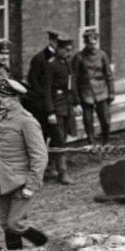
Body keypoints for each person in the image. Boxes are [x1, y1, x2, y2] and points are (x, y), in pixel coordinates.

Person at [0, 78, 48, 251]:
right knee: (6, 224)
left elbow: (40, 156)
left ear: (14, 99)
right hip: (1, 181)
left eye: (3, 97)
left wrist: (32, 185)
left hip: (21, 183)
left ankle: (46, 245)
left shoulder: (27, 121)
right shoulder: (0, 119)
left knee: (15, 224)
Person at [43, 36, 81, 184]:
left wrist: (76, 103)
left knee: (61, 139)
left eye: (70, 50)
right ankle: (63, 173)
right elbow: (46, 91)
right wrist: (50, 112)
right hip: (56, 108)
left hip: (66, 107)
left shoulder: (67, 63)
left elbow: (72, 85)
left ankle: (50, 168)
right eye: (66, 50)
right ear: (58, 49)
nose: (69, 53)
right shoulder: (50, 65)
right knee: (59, 141)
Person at [73, 30, 114, 145]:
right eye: (90, 43)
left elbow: (109, 75)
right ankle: (91, 142)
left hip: (102, 91)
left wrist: (111, 92)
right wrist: (76, 98)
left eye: (94, 43)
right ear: (85, 43)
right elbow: (73, 78)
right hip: (86, 92)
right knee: (88, 120)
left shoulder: (102, 55)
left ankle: (105, 142)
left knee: (105, 120)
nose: (92, 46)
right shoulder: (79, 57)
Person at [25, 28, 64, 125]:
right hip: (43, 102)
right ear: (51, 41)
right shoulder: (40, 58)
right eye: (57, 43)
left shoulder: (62, 58)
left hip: (59, 102)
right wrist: (42, 95)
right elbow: (32, 79)